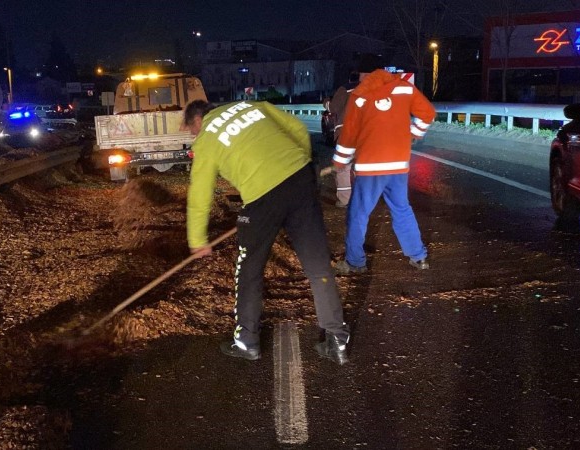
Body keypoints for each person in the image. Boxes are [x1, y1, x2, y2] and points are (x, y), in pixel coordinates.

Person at [184, 99, 351, 365]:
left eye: (192, 130)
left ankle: (247, 342)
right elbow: (296, 128)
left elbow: (200, 192)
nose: (194, 135)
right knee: (318, 266)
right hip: (300, 180)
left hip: (262, 199)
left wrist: (197, 240)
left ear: (196, 121)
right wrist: (303, 164)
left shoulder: (206, 138)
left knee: (248, 271)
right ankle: (337, 340)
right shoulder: (252, 105)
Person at [333, 69, 435, 274]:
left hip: (370, 167)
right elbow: (428, 113)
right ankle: (418, 257)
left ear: (363, 75)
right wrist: (413, 133)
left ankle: (355, 262)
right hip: (398, 164)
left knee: (358, 214)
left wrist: (340, 160)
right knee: (401, 208)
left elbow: (349, 134)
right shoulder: (404, 88)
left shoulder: (359, 95)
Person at [328, 71, 361, 208]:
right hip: (365, 133)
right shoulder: (370, 89)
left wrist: (326, 102)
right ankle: (363, 198)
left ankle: (344, 200)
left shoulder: (344, 89)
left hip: (346, 133)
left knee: (343, 167)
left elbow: (334, 108)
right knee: (362, 167)